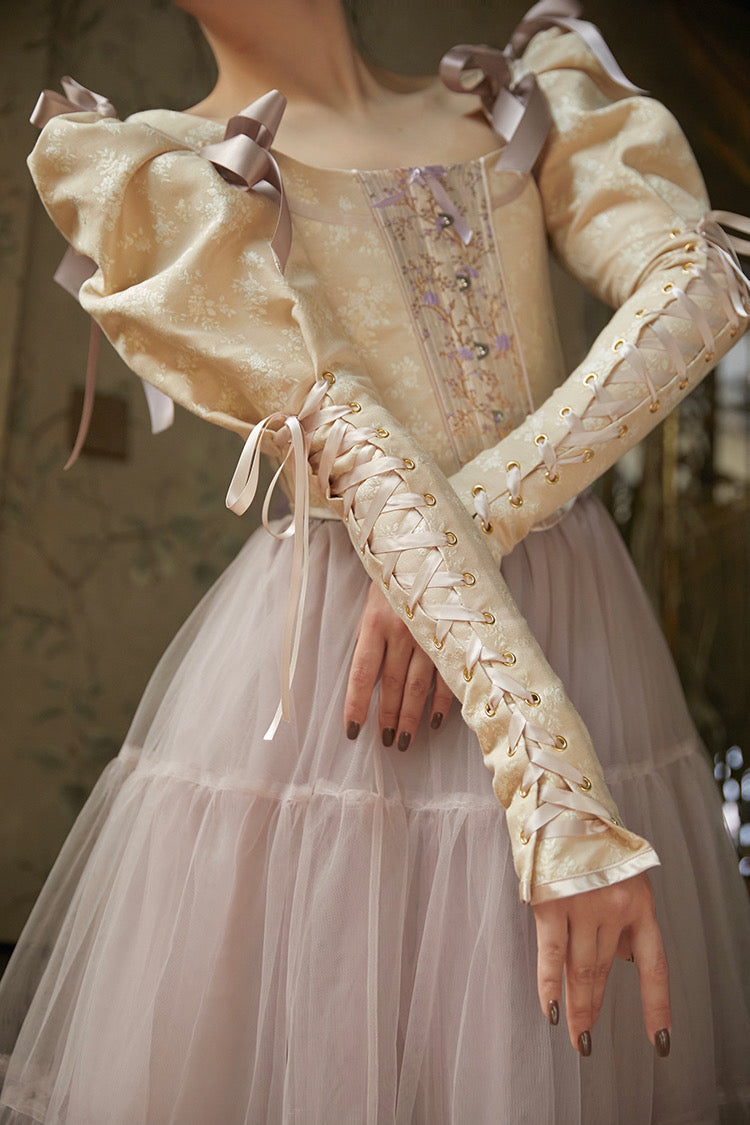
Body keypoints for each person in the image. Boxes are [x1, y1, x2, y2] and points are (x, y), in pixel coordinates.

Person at [1, 0, 749, 1121]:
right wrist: (556, 793)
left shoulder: (521, 96)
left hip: (569, 620)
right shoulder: (164, 170)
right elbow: (343, 433)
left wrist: (468, 527)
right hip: (339, 653)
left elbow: (703, 287)